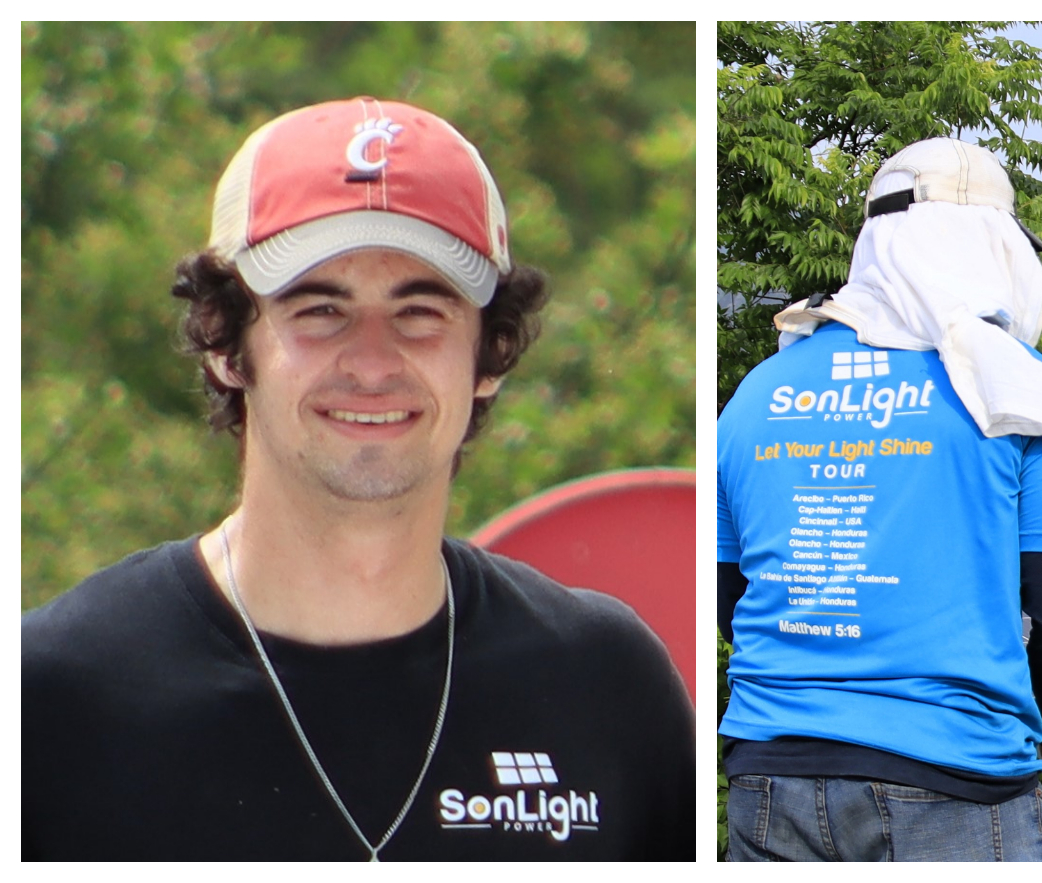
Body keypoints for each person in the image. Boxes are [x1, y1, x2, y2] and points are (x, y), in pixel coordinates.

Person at [21, 97, 693, 860]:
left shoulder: (605, 686)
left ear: (490, 354)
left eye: (421, 310)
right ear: (225, 344)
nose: (372, 361)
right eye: (318, 309)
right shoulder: (48, 697)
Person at [716, 137, 1042, 862]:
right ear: (998, 248)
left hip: (770, 776)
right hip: (953, 787)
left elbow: (728, 589)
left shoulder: (758, 393)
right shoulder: (1027, 393)